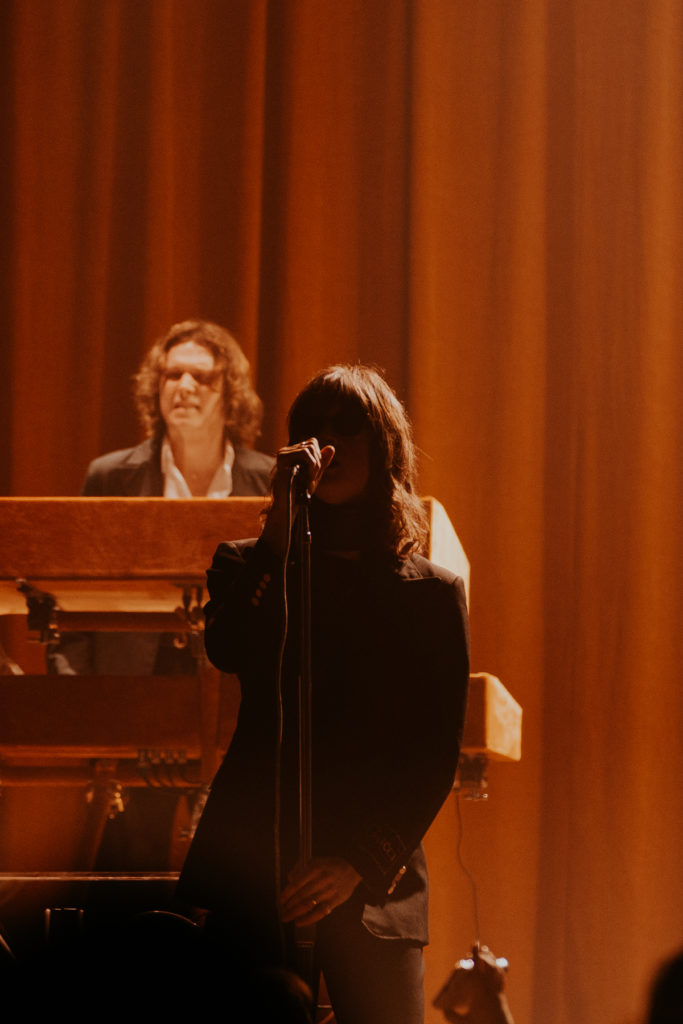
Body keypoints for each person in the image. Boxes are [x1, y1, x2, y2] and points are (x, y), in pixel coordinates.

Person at [176, 364, 470, 1024]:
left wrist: (356, 863)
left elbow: (431, 753)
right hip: (253, 861)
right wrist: (279, 528)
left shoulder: (428, 594)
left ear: (384, 447)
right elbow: (228, 649)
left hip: (369, 882)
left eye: (347, 428)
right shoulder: (246, 563)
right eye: (310, 429)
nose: (325, 444)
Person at [46, 319, 274, 870]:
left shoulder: (270, 481)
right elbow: (72, 596)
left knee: (236, 856)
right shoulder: (109, 476)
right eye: (172, 374)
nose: (184, 387)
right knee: (129, 864)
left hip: (237, 687)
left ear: (231, 393)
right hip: (131, 687)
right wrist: (77, 692)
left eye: (202, 376)